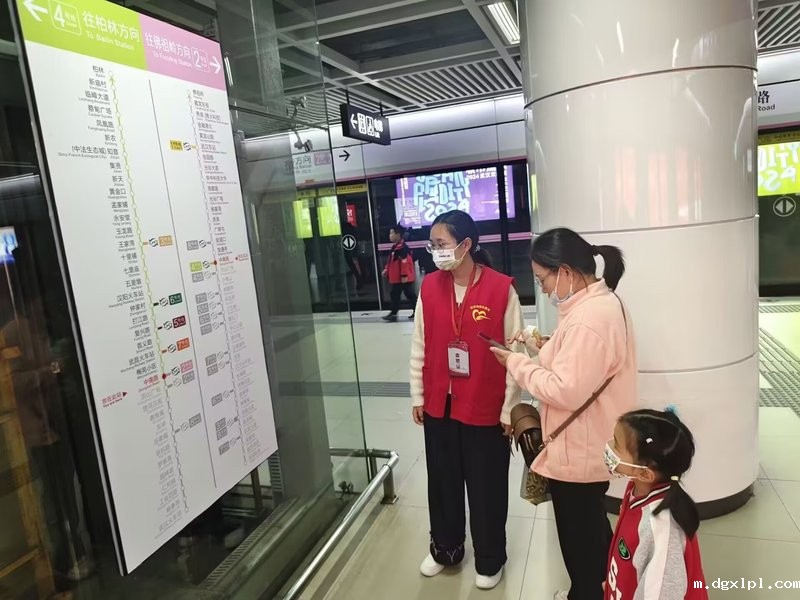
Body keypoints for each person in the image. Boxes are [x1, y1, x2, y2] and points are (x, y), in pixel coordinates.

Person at [490, 227, 637, 600]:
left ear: (566, 272)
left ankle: (586, 593)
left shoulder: (590, 319)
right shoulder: (597, 305)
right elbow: (579, 366)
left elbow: (564, 390)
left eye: (543, 279)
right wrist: (540, 344)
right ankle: (603, 587)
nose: (541, 288)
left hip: (579, 450)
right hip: (590, 442)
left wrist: (515, 363)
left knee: (579, 540)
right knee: (590, 529)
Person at [409, 210, 524, 590]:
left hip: (485, 406)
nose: (435, 251)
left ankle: (490, 558)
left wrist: (509, 409)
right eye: (432, 245)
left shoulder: (501, 289)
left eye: (441, 244)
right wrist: (418, 394)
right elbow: (420, 344)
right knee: (442, 481)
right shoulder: (429, 287)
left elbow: (514, 354)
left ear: (466, 245)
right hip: (440, 403)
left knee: (486, 485)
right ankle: (446, 548)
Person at [603, 408, 707, 600]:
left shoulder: (661, 528)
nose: (609, 448)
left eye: (616, 446)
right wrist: (615, 584)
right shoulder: (636, 489)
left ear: (645, 473)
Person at [382, 224, 417, 322]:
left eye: (392, 233)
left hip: (403, 278)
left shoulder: (402, 248)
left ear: (398, 235)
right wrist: (386, 269)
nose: (390, 235)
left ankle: (394, 314)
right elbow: (391, 261)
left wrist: (404, 275)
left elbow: (405, 262)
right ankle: (415, 311)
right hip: (398, 277)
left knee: (405, 294)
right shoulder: (395, 247)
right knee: (403, 294)